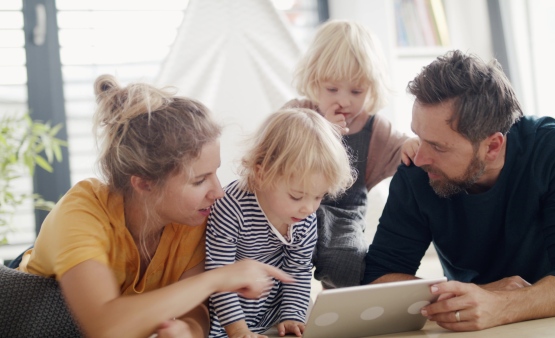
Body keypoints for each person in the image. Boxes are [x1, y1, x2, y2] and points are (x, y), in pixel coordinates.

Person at [15, 74, 294, 338]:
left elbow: (195, 311)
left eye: (215, 173)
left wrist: (188, 330)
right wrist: (217, 280)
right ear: (144, 183)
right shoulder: (81, 212)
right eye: (199, 180)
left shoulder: (190, 218)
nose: (218, 193)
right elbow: (105, 326)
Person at [363, 49, 555, 331]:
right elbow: (379, 277)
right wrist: (479, 293)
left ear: (492, 146)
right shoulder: (417, 170)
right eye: (418, 135)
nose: (420, 157)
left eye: (438, 146)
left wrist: (502, 305)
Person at [283, 19, 419, 289]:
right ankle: (279, 308)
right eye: (332, 89)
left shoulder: (375, 128)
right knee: (274, 253)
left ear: (371, 88)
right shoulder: (297, 113)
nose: (344, 100)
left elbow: (402, 145)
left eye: (356, 91)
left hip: (344, 215)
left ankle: (337, 307)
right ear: (314, 81)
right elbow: (279, 154)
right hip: (291, 209)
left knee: (349, 258)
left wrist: (412, 145)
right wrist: (323, 132)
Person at [206, 108, 355, 338]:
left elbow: (299, 268)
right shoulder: (230, 207)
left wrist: (292, 315)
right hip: (227, 314)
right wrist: (238, 331)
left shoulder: (304, 215)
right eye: (296, 196)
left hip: (275, 309)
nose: (309, 208)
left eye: (319, 197)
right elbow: (219, 274)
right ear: (261, 174)